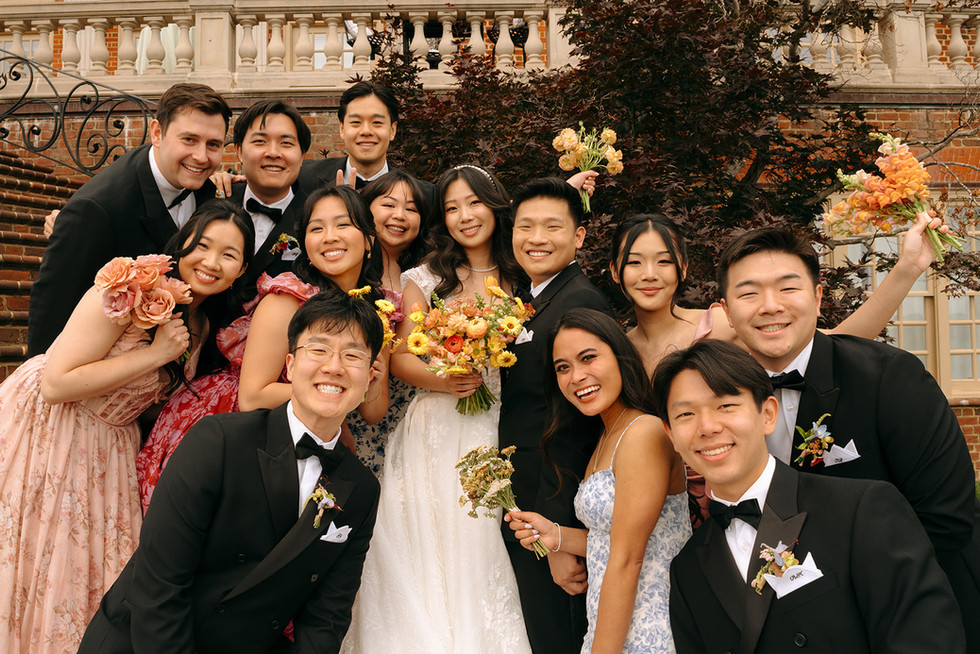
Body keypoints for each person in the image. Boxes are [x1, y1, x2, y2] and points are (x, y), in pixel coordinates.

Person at [0, 201, 253, 654]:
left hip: (111, 444)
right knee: (30, 556)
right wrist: (156, 354)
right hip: (50, 428)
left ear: (242, 269)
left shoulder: (200, 321)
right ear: (182, 244)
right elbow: (57, 384)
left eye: (229, 254)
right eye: (203, 245)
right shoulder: (130, 289)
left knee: (86, 574)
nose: (212, 262)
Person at [715, 226, 980, 650]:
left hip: (909, 617)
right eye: (749, 293)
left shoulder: (890, 378)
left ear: (818, 297)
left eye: (787, 288)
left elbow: (946, 518)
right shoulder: (719, 400)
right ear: (727, 312)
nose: (770, 306)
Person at [77, 288, 383, 654]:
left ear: (369, 377)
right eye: (318, 350)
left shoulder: (361, 488)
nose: (334, 367)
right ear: (289, 365)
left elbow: (326, 619)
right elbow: (159, 583)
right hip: (143, 640)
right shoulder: (218, 441)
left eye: (352, 355)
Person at [610, 211, 958, 522]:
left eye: (664, 261)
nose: (649, 274)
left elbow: (831, 342)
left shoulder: (717, 326)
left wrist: (907, 269)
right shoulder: (616, 351)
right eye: (634, 262)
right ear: (615, 270)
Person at [654, 339, 965, 654]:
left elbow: (928, 641)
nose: (707, 427)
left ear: (768, 414)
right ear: (671, 435)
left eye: (725, 406)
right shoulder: (686, 568)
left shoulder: (862, 510)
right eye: (686, 414)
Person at [341, 164, 532, 653]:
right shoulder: (425, 277)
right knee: (425, 541)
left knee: (479, 538)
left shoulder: (522, 273)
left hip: (496, 424)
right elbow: (403, 359)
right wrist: (448, 380)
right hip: (435, 425)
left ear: (495, 205)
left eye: (474, 202)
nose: (465, 216)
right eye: (451, 208)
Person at [137, 186, 386, 511]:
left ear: (368, 239)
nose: (329, 237)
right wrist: (333, 393)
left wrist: (371, 380)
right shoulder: (288, 299)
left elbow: (373, 412)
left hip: (309, 432)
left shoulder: (378, 310)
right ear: (305, 244)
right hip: (234, 424)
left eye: (343, 224)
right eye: (316, 228)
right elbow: (253, 396)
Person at [136, 100, 312, 509]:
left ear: (303, 154)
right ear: (238, 150)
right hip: (183, 384)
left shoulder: (316, 218)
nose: (273, 152)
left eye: (286, 143)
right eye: (260, 141)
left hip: (266, 398)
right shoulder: (202, 196)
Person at [508, 308, 691, 653]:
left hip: (649, 628)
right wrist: (556, 535)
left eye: (588, 358)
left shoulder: (644, 432)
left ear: (620, 356)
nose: (577, 376)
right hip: (611, 625)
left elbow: (628, 560)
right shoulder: (608, 436)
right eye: (563, 367)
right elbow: (613, 540)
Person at [28, 83, 232, 356]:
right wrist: (41, 376)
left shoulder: (209, 193)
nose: (201, 156)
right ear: (157, 133)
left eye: (213, 144)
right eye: (189, 140)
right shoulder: (97, 208)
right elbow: (52, 312)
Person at [498, 177, 611, 653]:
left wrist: (559, 539)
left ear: (579, 236)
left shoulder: (578, 301)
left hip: (550, 509)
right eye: (525, 226)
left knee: (558, 637)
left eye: (552, 227)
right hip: (530, 502)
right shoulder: (537, 297)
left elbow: (574, 425)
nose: (536, 238)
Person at [345, 170, 432, 475]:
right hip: (357, 405)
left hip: (413, 405)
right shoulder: (350, 269)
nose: (399, 215)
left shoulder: (431, 271)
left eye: (411, 208)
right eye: (388, 204)